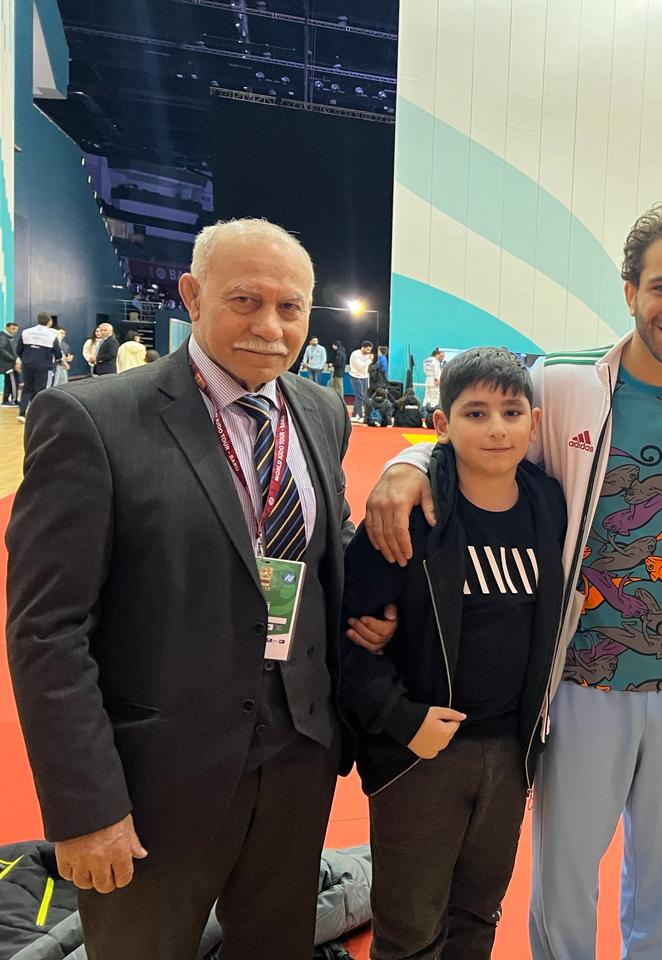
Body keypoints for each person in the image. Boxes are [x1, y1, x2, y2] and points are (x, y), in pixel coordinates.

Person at [360, 197, 662, 960]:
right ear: (630, 290)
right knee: (566, 881)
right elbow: (482, 435)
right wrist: (408, 461)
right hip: (579, 680)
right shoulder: (564, 382)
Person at [5, 218, 395, 960]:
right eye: (245, 300)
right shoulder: (93, 420)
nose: (270, 327)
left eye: (290, 307)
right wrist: (86, 810)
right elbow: (46, 632)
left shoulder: (319, 411)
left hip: (297, 757)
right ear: (191, 294)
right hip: (154, 780)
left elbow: (321, 540)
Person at [342, 346, 567, 960]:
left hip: (509, 752)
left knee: (476, 916)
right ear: (442, 425)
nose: (496, 428)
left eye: (511, 413)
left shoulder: (550, 504)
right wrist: (400, 719)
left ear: (533, 423)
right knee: (409, 930)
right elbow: (347, 638)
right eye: (475, 413)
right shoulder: (406, 515)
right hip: (420, 754)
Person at [15, 313, 64, 423]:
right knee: (40, 390)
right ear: (49, 321)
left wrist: (25, 359)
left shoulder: (26, 332)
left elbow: (18, 349)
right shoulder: (51, 335)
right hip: (43, 367)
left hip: (27, 365)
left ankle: (22, 414)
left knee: (27, 388)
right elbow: (57, 353)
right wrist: (61, 361)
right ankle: (37, 415)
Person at [349, 341, 374, 423]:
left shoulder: (368, 355)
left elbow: (367, 368)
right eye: (367, 349)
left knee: (362, 398)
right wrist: (369, 360)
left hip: (365, 377)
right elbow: (360, 367)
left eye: (370, 350)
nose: (369, 351)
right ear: (362, 348)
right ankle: (360, 416)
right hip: (356, 377)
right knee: (360, 397)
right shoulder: (355, 354)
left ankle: (354, 415)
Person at [2, 320, 21, 404]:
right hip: (9, 364)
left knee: (9, 382)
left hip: (10, 363)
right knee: (13, 382)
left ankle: (6, 400)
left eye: (16, 329)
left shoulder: (9, 337)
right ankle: (14, 399)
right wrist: (13, 358)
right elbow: (1, 349)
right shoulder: (3, 337)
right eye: (13, 329)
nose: (15, 331)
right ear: (7, 328)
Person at [423, 346, 445, 411]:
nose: (441, 358)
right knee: (435, 396)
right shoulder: (435, 361)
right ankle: (433, 410)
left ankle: (425, 408)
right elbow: (436, 371)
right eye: (440, 356)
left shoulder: (425, 361)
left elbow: (424, 371)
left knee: (427, 395)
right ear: (436, 355)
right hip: (434, 380)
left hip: (427, 379)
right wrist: (437, 379)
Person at [329, 340, 348, 405]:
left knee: (339, 387)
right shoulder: (343, 352)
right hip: (340, 372)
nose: (332, 346)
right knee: (335, 386)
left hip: (338, 373)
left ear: (336, 345)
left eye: (333, 345)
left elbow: (338, 364)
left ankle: (341, 401)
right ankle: (336, 399)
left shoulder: (339, 353)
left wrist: (332, 365)